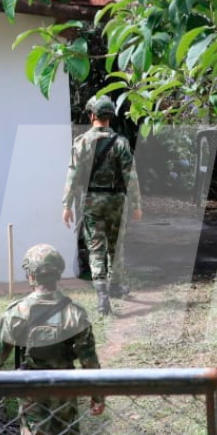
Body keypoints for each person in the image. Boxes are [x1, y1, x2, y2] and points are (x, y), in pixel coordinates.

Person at [0, 244, 105, 435]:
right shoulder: (75, 313)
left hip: (32, 390)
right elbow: (89, 361)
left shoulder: (17, 313)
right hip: (65, 389)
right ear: (58, 273)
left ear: (30, 274)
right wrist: (97, 397)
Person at [63, 95, 142, 316]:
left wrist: (66, 205)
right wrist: (136, 204)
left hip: (91, 200)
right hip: (117, 200)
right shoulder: (121, 142)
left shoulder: (81, 143)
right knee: (116, 246)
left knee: (96, 247)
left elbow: (73, 174)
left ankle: (102, 296)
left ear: (92, 116)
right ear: (110, 117)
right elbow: (131, 177)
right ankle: (116, 285)